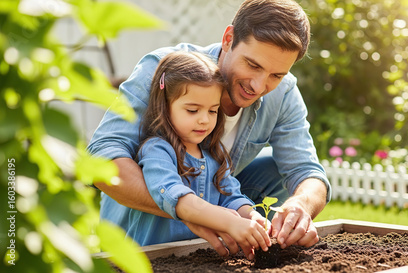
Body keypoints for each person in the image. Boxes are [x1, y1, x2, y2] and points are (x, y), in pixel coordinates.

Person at [88, 0, 331, 260]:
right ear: (228, 39)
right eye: (253, 65)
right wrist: (198, 211)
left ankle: (238, 234)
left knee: (274, 170)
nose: (259, 86)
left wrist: (299, 206)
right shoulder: (166, 71)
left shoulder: (283, 94)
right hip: (144, 224)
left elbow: (307, 171)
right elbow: (101, 159)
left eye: (276, 75)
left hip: (213, 197)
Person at [100, 51, 271, 251]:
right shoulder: (157, 150)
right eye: (192, 110)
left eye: (212, 110)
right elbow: (172, 193)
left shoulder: (214, 155)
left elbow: (230, 195)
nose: (204, 120)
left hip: (196, 256)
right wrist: (227, 221)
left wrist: (251, 217)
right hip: (154, 259)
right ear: (165, 107)